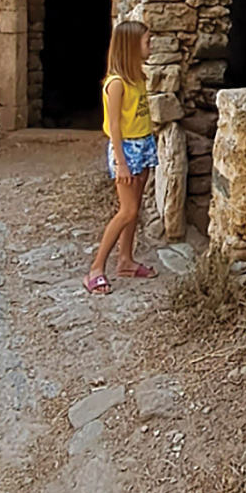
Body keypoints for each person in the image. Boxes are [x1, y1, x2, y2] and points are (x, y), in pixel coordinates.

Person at [84, 17, 158, 292]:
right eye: (147, 42)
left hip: (143, 144)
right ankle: (96, 268)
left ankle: (125, 261)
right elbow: (114, 126)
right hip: (126, 149)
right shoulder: (116, 84)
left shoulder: (138, 77)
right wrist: (122, 163)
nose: (151, 46)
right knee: (126, 211)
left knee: (135, 210)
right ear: (130, 47)